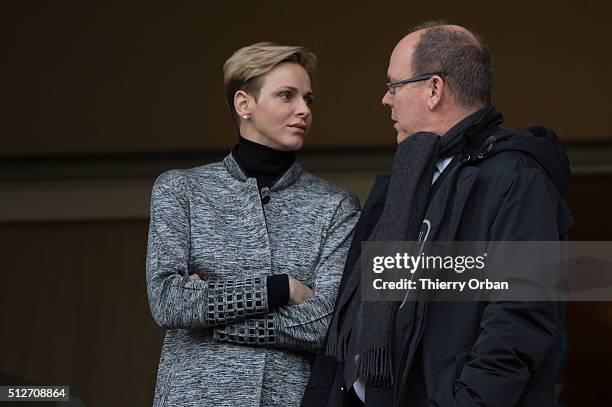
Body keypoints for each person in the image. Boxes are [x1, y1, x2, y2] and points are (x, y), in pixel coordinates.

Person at [302, 22, 574, 407]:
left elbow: (519, 321)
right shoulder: (412, 183)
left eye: (394, 85)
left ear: (433, 89)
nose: (385, 99)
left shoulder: (515, 179)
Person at [146, 42, 360, 407]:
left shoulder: (336, 207)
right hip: (194, 396)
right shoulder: (182, 189)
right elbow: (168, 301)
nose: (303, 110)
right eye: (286, 96)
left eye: (308, 99)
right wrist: (281, 288)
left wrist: (210, 316)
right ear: (244, 104)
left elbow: (327, 323)